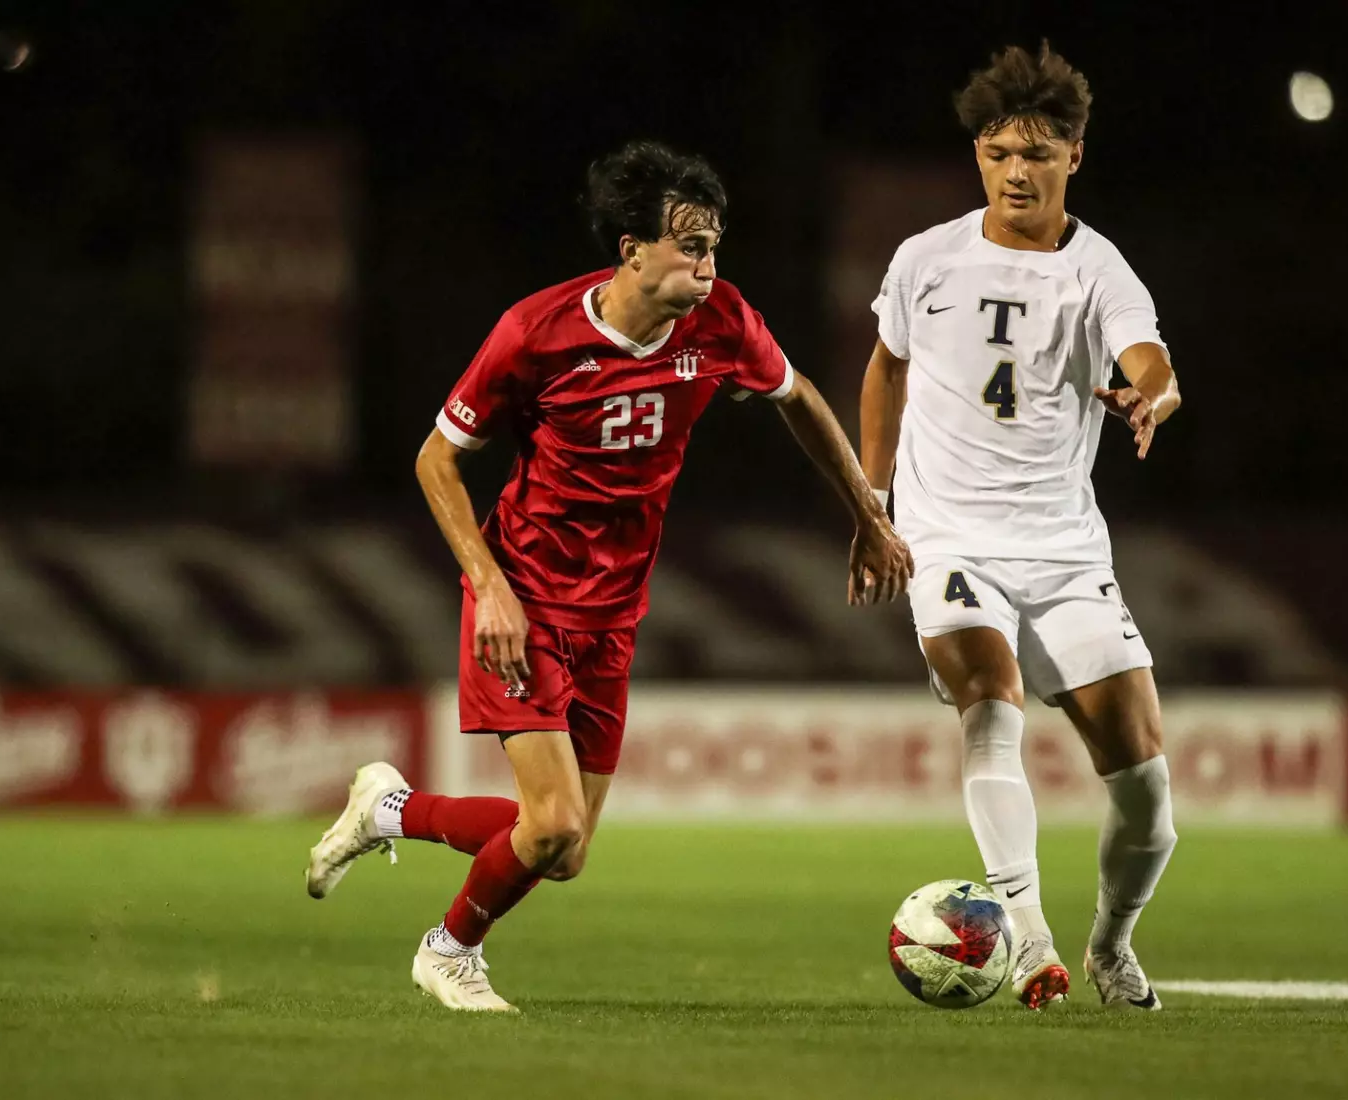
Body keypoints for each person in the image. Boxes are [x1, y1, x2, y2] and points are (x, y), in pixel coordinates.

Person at [305, 140, 913, 1013]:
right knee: (549, 826)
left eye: (715, 246)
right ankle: (447, 953)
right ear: (631, 249)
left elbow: (800, 398)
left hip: (614, 611)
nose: (709, 264)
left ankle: (392, 810)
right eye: (690, 246)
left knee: (567, 849)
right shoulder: (535, 334)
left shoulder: (723, 324)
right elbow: (437, 460)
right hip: (523, 596)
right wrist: (492, 588)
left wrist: (867, 512)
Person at [858, 41, 1181, 1011]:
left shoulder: (1099, 267)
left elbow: (1150, 356)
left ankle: (1109, 944)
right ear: (978, 156)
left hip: (1064, 549)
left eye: (1038, 153)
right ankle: (1025, 931)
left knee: (1149, 802)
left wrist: (1146, 396)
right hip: (948, 536)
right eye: (998, 151)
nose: (1015, 171)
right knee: (989, 702)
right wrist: (876, 507)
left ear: (1074, 156)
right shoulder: (926, 258)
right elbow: (887, 368)